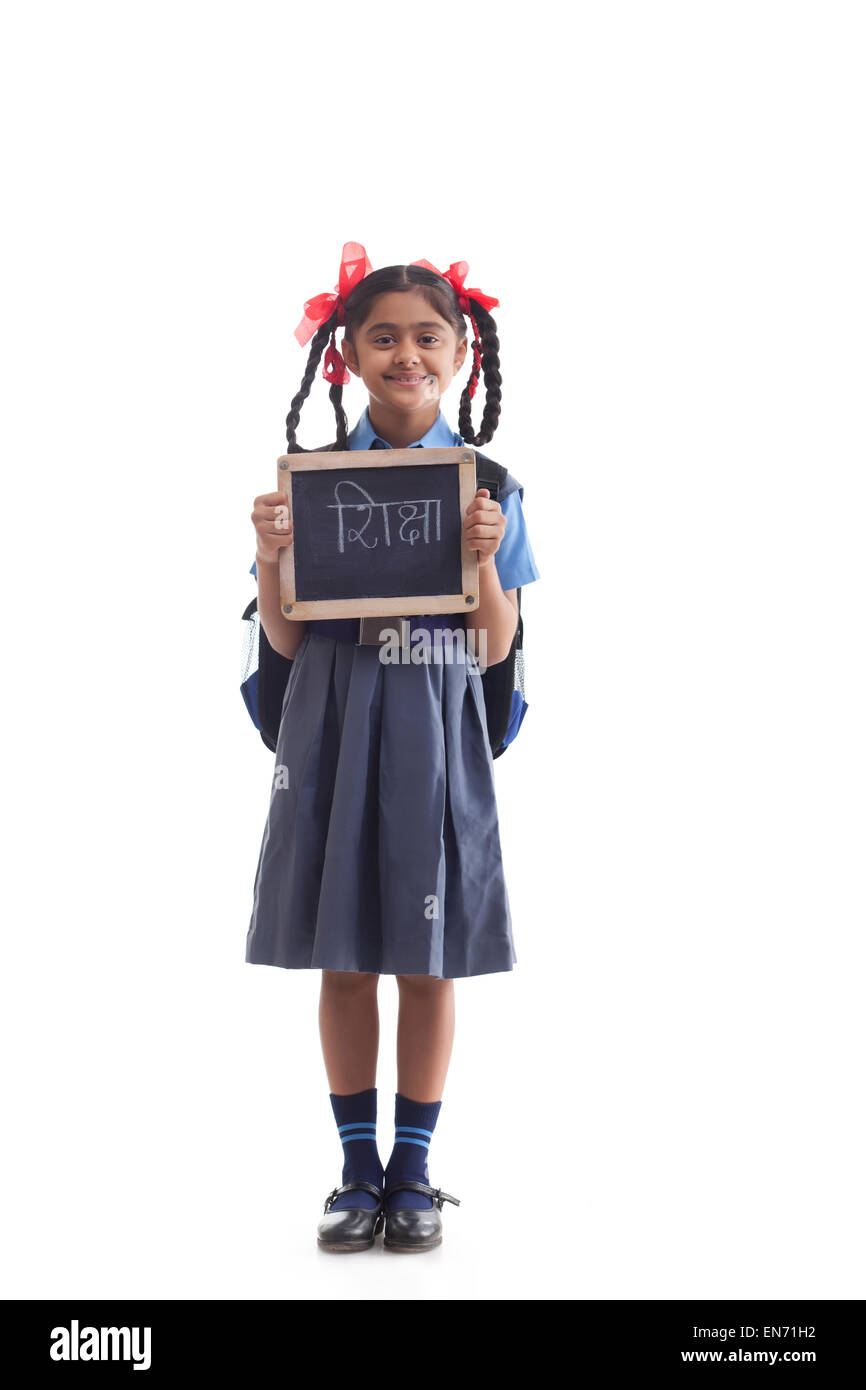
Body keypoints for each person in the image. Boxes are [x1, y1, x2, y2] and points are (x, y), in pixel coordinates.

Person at [245, 243, 540, 1253]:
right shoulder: (314, 484)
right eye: (382, 336)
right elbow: (282, 639)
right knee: (342, 956)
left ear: (457, 351)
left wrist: (481, 560)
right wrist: (269, 555)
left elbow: (494, 647)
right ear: (347, 355)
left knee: (425, 958)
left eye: (425, 336)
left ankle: (414, 1170)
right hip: (332, 726)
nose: (404, 353)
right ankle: (354, 1170)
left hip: (429, 725)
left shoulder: (486, 486)